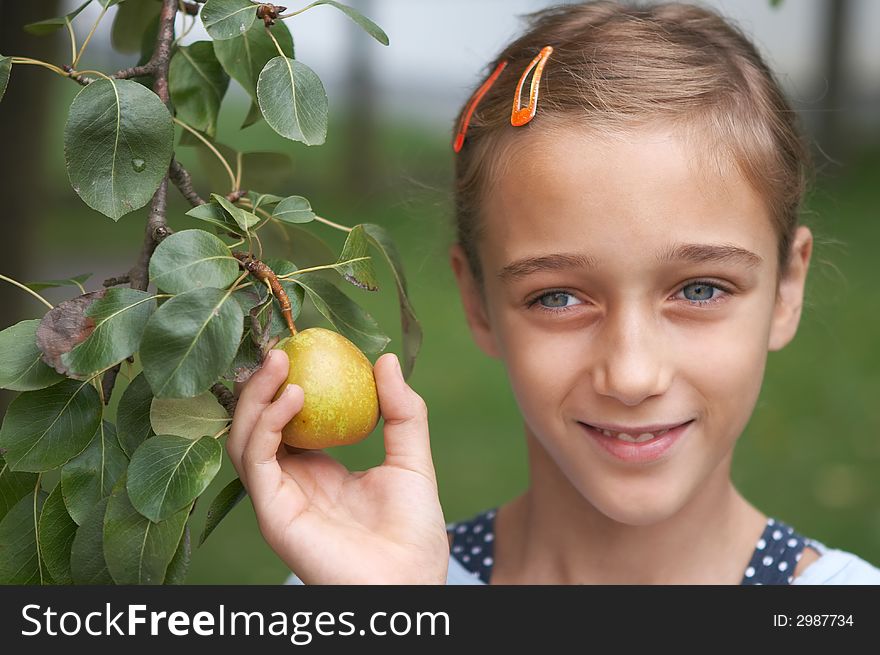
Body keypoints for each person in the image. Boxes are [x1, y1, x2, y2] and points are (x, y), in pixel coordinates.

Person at [225, 1, 880, 584]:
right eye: (559, 297)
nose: (631, 374)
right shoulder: (368, 583)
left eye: (701, 288)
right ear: (478, 300)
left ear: (787, 287)